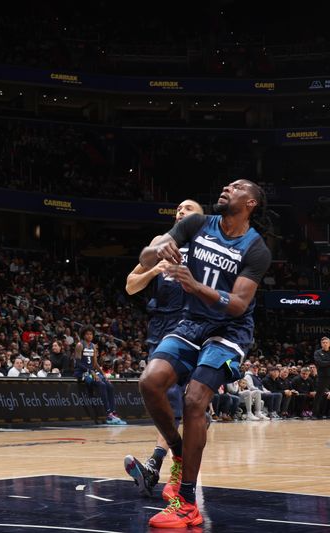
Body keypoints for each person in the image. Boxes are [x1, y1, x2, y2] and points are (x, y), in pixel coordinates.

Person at [139, 179, 271, 528]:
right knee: (150, 382)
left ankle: (186, 502)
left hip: (230, 333)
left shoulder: (256, 249)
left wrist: (195, 286)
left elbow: (239, 304)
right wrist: (158, 252)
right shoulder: (196, 223)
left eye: (237, 187)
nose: (227, 188)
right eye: (227, 186)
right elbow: (144, 257)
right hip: (192, 322)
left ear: (251, 203)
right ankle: (179, 450)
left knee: (195, 399)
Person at [123, 199, 203, 498]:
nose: (181, 213)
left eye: (189, 210)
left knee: (185, 400)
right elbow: (131, 285)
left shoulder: (207, 248)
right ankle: (162, 466)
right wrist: (154, 270)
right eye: (179, 210)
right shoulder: (159, 244)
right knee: (166, 400)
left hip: (193, 324)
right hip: (161, 325)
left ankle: (162, 464)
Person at [73, 326, 125, 425]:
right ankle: (108, 415)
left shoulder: (93, 346)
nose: (90, 336)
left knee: (109, 385)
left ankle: (113, 413)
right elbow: (78, 363)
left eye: (91, 334)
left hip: (91, 371)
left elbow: (95, 364)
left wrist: (103, 374)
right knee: (101, 384)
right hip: (81, 372)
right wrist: (90, 371)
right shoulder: (80, 345)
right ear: (83, 335)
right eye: (87, 334)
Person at [312, 336, 330, 418]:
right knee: (319, 395)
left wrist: (326, 362)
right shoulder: (317, 353)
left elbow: (324, 363)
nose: (325, 344)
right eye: (323, 343)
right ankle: (315, 414)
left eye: (326, 342)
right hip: (323, 377)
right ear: (321, 344)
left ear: (329, 344)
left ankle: (325, 413)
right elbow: (320, 363)